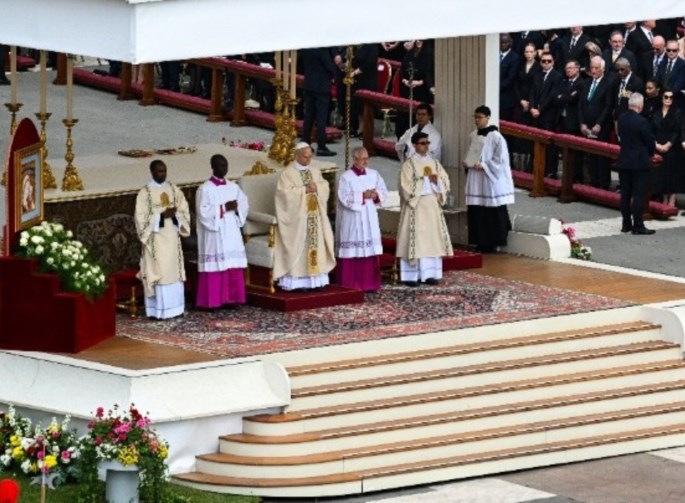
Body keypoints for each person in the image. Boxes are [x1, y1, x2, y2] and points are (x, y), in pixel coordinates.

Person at [273, 142, 336, 291]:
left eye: (310, 156)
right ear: (297, 155)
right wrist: (304, 190)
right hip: (298, 220)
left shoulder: (315, 171)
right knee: (300, 246)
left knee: (316, 245)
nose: (309, 160)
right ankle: (299, 282)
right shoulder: (288, 173)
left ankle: (315, 280)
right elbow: (283, 195)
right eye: (305, 157)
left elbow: (325, 186)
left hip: (315, 216)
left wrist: (318, 187)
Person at [135, 159, 191, 319]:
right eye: (159, 171)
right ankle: (158, 311)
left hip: (172, 237)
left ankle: (176, 309)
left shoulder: (173, 189)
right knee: (160, 272)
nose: (163, 174)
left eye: (164, 171)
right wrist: (161, 216)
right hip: (156, 240)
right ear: (152, 172)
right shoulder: (145, 193)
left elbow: (184, 209)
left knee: (173, 272)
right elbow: (140, 218)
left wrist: (175, 215)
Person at [395, 131, 452, 287]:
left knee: (431, 241)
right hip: (416, 207)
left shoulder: (434, 163)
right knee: (416, 241)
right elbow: (405, 187)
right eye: (422, 143)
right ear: (414, 145)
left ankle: (430, 274)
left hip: (432, 207)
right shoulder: (409, 165)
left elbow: (445, 181)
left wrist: (436, 181)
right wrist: (426, 180)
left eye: (427, 143)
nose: (426, 146)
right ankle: (411, 276)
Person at [195, 154, 248, 309]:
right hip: (215, 232)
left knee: (232, 264)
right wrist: (224, 207)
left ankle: (232, 299)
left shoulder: (234, 187)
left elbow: (244, 203)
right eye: (220, 166)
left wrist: (237, 208)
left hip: (231, 231)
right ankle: (213, 301)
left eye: (226, 165)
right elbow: (202, 212)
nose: (224, 169)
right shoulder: (204, 189)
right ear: (213, 167)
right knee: (215, 265)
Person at [462, 105, 515, 253]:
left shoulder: (496, 136)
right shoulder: (473, 135)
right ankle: (479, 241)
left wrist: (484, 165)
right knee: (477, 209)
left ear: (487, 118)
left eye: (480, 117)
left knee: (491, 210)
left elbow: (501, 159)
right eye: (475, 117)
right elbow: (472, 153)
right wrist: (467, 162)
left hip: (489, 179)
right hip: (476, 178)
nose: (477, 120)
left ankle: (492, 242)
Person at [335, 147, 388, 292]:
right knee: (353, 250)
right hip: (353, 219)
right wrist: (362, 195)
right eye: (362, 159)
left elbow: (383, 191)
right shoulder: (346, 177)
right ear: (354, 159)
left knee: (369, 249)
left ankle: (369, 284)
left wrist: (376, 195)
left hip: (369, 216)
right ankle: (350, 285)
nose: (366, 161)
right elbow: (343, 197)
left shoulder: (374, 174)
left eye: (366, 158)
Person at [616, 92, 656, 235]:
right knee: (638, 195)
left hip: (624, 159)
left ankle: (626, 223)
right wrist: (650, 154)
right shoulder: (642, 121)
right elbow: (649, 141)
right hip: (639, 162)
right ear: (640, 105)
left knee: (625, 194)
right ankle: (638, 225)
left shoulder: (621, 119)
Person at [578, 55, 616, 189]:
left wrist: (599, 124)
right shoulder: (586, 83)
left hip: (601, 126)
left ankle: (603, 184)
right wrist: (582, 123)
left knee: (601, 156)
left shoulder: (608, 84)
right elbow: (581, 104)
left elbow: (608, 106)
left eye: (596, 68)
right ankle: (593, 182)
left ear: (603, 69)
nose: (593, 70)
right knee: (590, 155)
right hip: (587, 125)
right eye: (592, 68)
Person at [300, 47, 337, 157]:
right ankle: (321, 146)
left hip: (309, 83)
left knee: (309, 115)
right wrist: (336, 72)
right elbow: (329, 66)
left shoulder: (306, 48)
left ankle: (305, 141)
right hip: (321, 86)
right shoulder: (322, 50)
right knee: (321, 117)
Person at [650, 89, 682, 207]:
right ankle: (664, 198)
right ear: (662, 98)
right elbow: (651, 130)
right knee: (661, 174)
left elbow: (677, 131)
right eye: (666, 97)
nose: (668, 99)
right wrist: (656, 144)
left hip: (672, 147)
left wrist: (668, 144)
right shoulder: (656, 112)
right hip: (658, 145)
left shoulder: (677, 112)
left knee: (671, 173)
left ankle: (672, 199)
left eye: (671, 97)